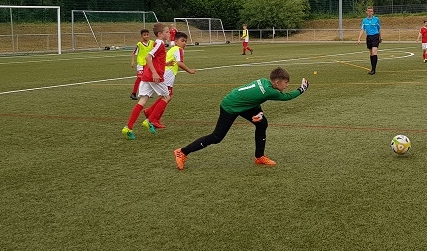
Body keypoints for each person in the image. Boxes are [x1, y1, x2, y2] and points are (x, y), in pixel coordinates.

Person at [173, 67, 309, 169]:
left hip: (241, 103)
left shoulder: (264, 82)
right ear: (277, 82)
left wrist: (259, 113)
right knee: (217, 137)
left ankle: (259, 157)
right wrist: (301, 89)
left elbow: (254, 98)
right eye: (286, 83)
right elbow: (287, 97)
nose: (287, 85)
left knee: (262, 123)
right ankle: (182, 152)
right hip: (230, 106)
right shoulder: (270, 91)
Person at [122, 23, 168, 140]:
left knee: (142, 101)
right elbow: (148, 57)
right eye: (167, 32)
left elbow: (156, 59)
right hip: (154, 76)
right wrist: (154, 72)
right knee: (166, 97)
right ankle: (149, 120)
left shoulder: (157, 43)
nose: (169, 34)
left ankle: (128, 127)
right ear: (160, 34)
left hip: (147, 75)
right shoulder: (160, 43)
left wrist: (165, 64)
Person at [144, 30, 196, 129]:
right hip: (167, 75)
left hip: (165, 73)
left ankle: (150, 112)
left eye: (185, 41)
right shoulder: (179, 49)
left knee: (167, 96)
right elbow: (179, 63)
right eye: (182, 41)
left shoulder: (173, 49)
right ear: (175, 41)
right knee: (167, 96)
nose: (184, 43)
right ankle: (153, 118)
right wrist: (190, 71)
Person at [130, 29, 153, 100]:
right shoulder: (139, 44)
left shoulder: (152, 43)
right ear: (142, 36)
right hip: (141, 63)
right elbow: (134, 53)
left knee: (148, 78)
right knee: (140, 78)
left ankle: (147, 93)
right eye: (144, 35)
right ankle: (133, 93)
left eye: (147, 34)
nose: (146, 36)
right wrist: (132, 62)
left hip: (149, 64)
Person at [357, 6, 381, 74]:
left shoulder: (376, 19)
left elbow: (379, 29)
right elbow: (362, 30)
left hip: (375, 36)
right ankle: (372, 68)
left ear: (373, 12)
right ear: (366, 12)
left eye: (371, 11)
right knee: (371, 53)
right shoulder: (364, 20)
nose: (370, 12)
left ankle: (373, 70)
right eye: (368, 11)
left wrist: (380, 37)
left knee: (374, 52)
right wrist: (359, 39)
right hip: (369, 37)